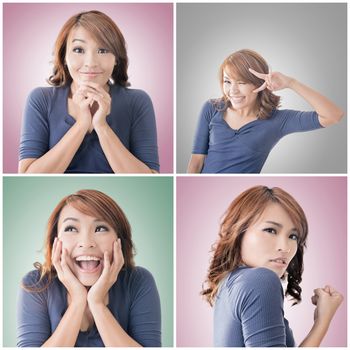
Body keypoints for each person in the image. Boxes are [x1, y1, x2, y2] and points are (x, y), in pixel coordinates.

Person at [19, 11, 159, 174]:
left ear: (116, 59)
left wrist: (101, 126)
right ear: (64, 56)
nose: (91, 63)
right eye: (79, 50)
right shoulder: (41, 99)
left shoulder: (137, 101)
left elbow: (151, 178)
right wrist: (81, 124)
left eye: (103, 50)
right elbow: (27, 176)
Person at [202, 186, 343, 347]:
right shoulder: (260, 280)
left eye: (293, 236)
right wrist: (322, 322)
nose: (285, 247)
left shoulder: (228, 282)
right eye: (270, 230)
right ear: (239, 231)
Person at [17, 189, 161, 347]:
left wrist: (96, 303)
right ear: (55, 241)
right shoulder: (36, 284)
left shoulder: (138, 281)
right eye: (71, 229)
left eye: (100, 228)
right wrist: (78, 301)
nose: (86, 242)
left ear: (119, 240)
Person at [188, 49, 344, 173]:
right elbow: (196, 162)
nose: (233, 90)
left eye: (242, 82)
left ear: (259, 84)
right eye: (227, 81)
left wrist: (291, 83)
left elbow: (334, 115)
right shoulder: (211, 108)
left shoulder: (277, 120)